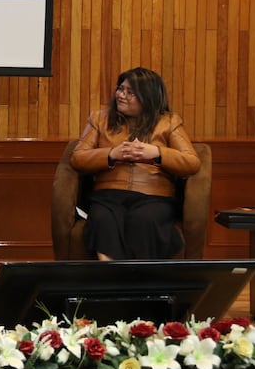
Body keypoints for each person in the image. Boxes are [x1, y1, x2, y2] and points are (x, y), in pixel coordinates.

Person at [70, 67, 201, 260]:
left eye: (130, 92)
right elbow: (78, 158)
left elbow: (191, 162)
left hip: (154, 196)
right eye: (120, 89)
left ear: (148, 97)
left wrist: (156, 153)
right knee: (101, 218)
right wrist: (111, 154)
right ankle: (111, 275)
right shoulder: (100, 119)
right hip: (108, 195)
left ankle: (137, 277)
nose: (121, 95)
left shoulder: (168, 122)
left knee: (144, 219)